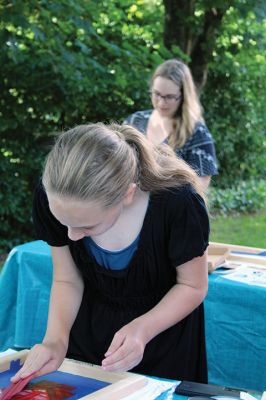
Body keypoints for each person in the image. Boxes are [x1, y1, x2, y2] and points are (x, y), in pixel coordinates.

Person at [12, 123, 209, 384]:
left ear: (127, 194)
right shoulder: (54, 196)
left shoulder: (178, 203)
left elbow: (192, 286)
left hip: (165, 344)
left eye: (86, 226)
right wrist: (55, 340)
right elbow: (67, 279)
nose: (71, 236)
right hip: (89, 338)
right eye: (64, 223)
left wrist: (142, 329)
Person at [124, 59, 218, 191]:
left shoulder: (197, 133)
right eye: (157, 94)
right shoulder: (134, 121)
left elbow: (199, 188)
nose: (161, 103)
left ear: (184, 96)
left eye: (169, 97)